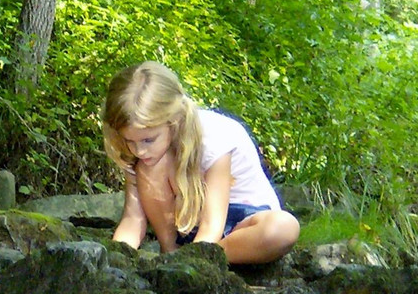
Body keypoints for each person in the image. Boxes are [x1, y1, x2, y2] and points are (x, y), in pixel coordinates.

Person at [102, 61, 299, 264]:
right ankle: (171, 253)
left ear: (174, 120)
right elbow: (133, 219)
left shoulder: (214, 136)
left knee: (284, 227)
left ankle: (196, 260)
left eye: (148, 140)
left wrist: (199, 257)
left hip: (241, 223)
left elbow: (212, 224)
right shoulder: (145, 155)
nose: (139, 150)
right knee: (150, 167)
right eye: (129, 141)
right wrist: (114, 259)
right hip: (189, 223)